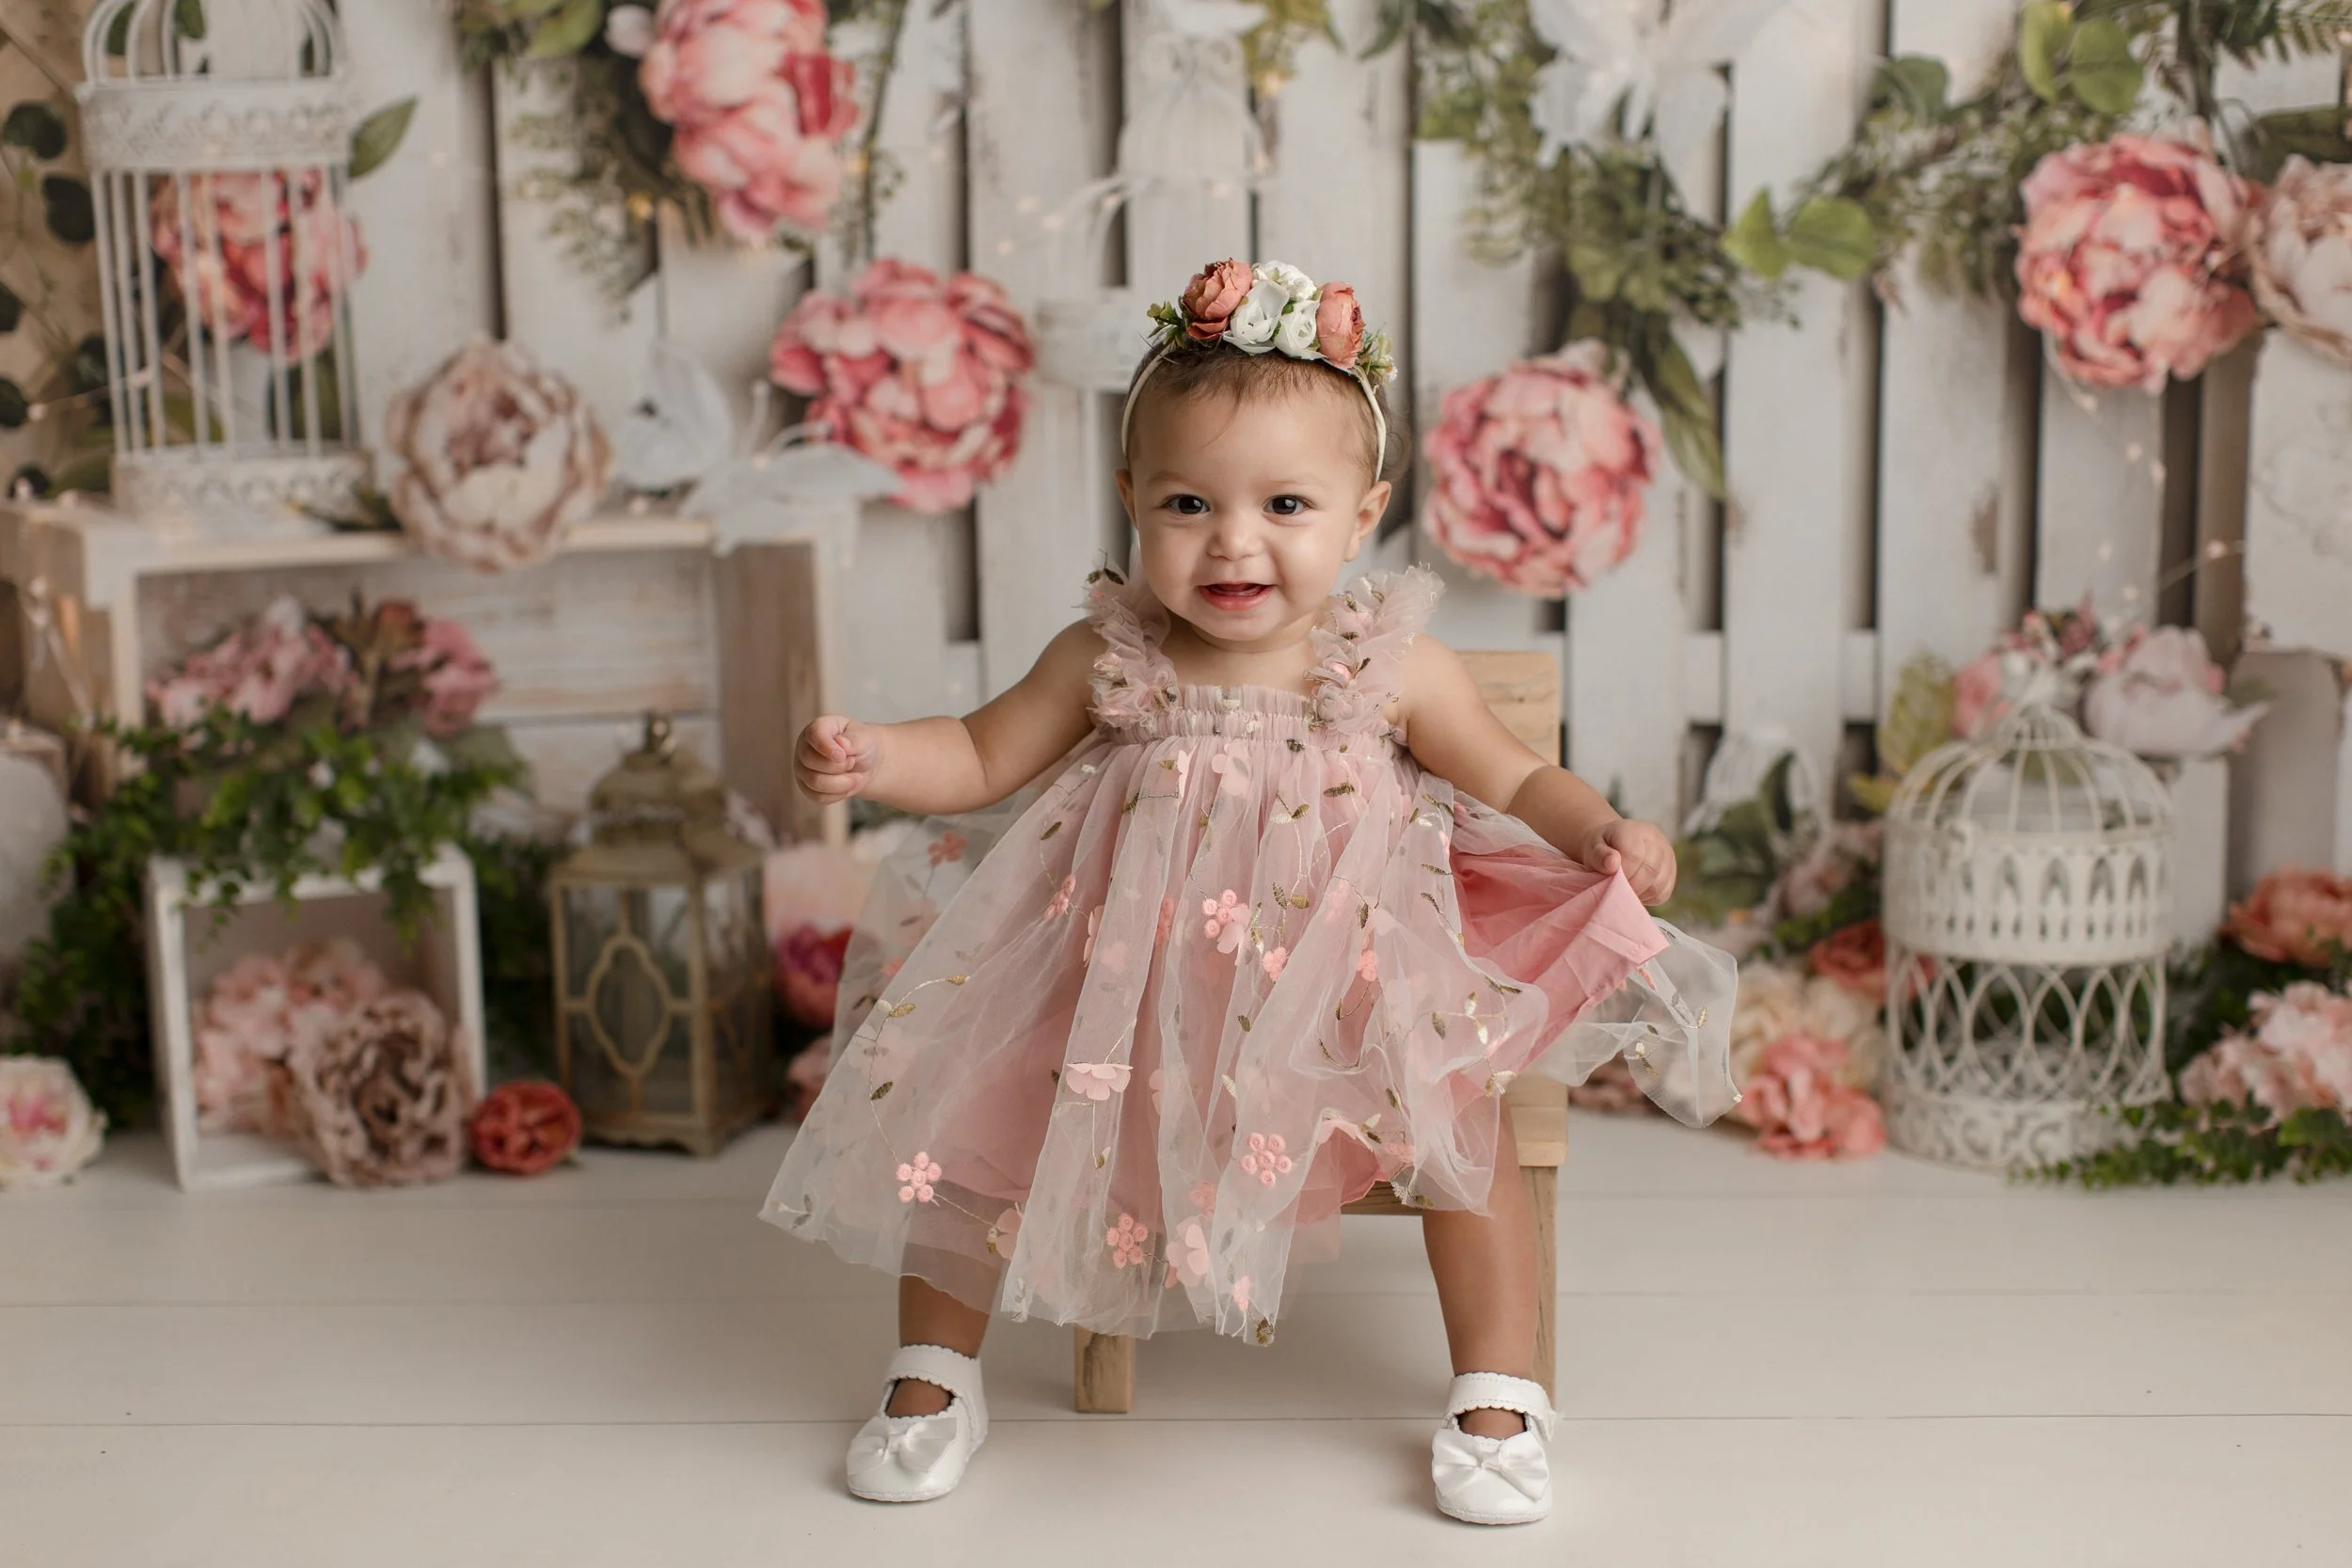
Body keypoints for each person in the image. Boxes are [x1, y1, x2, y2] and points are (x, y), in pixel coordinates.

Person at [762, 258, 1739, 1526]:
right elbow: (980, 751)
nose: (1234, 540)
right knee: (970, 1108)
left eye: (1286, 502)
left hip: (1348, 989)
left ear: (1363, 509)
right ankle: (933, 1374)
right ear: (1130, 499)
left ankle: (1500, 1391)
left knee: (1465, 1122)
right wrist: (877, 754)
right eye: (1187, 501)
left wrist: (1601, 824)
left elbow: (1514, 774)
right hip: (1117, 990)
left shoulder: (1390, 662)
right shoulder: (1107, 650)